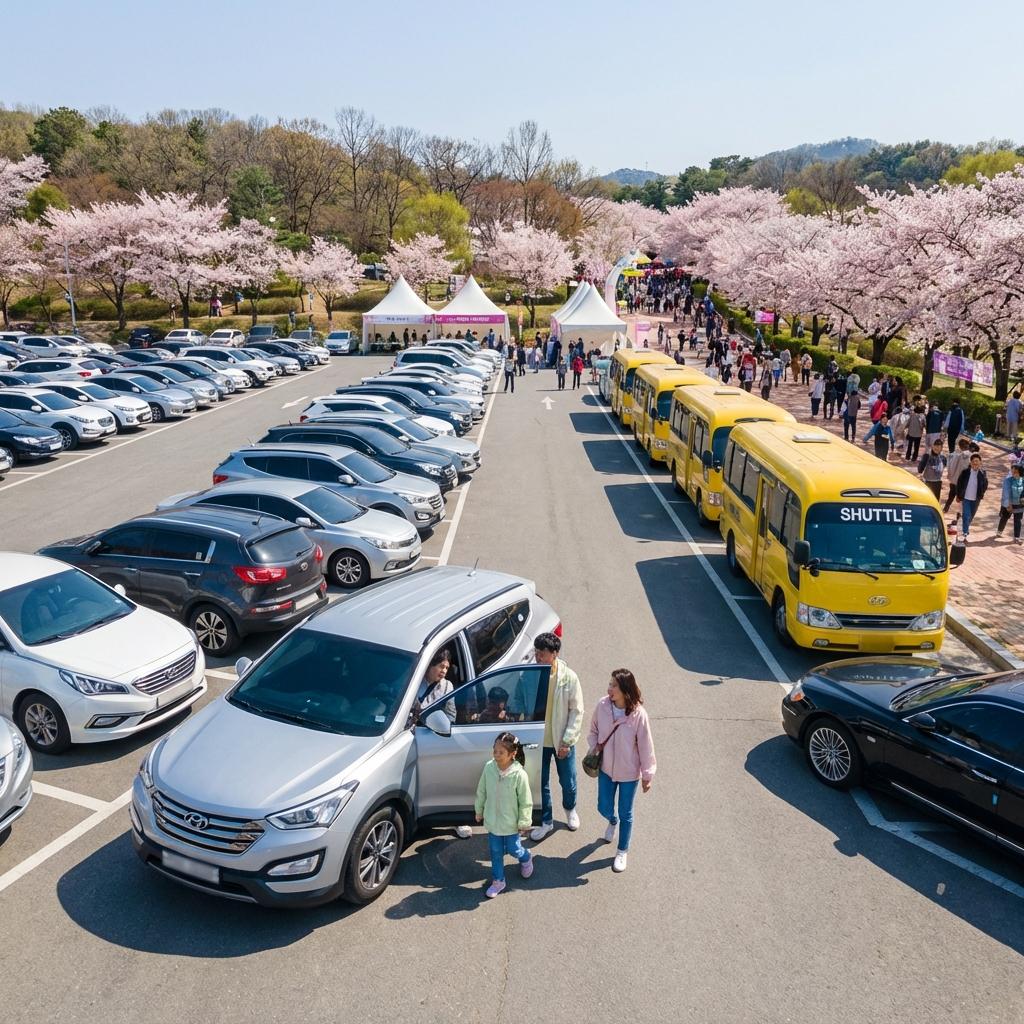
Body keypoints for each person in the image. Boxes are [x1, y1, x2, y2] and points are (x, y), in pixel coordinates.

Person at [586, 669, 656, 874]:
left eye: (614, 685)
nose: (609, 689)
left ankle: (622, 851)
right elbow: (593, 731)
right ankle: (611, 821)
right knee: (603, 806)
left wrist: (647, 775)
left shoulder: (639, 715)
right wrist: (595, 746)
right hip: (606, 768)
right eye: (609, 684)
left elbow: (646, 746)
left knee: (627, 813)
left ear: (625, 690)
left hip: (629, 773)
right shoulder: (602, 706)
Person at [528, 632, 583, 840]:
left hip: (561, 741)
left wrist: (567, 741)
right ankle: (546, 820)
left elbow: (577, 711)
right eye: (536, 652)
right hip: (538, 740)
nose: (538, 657)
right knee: (540, 782)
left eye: (542, 653)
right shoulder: (529, 674)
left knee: (568, 780)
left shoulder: (569, 678)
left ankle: (570, 809)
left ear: (555, 654)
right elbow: (518, 700)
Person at [475, 732, 534, 898]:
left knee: (514, 849)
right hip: (493, 822)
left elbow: (525, 801)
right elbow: (482, 791)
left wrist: (524, 822)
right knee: (495, 852)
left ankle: (527, 857)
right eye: (495, 751)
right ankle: (498, 881)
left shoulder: (519, 775)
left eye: (501, 752)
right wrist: (479, 810)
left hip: (511, 824)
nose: (496, 755)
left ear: (512, 754)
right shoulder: (489, 768)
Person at [955, 451, 988, 541]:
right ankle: (965, 533)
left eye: (977, 461)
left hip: (976, 499)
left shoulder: (983, 473)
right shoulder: (965, 472)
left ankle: (963, 528)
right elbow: (959, 483)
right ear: (970, 462)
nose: (975, 463)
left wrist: (982, 493)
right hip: (966, 498)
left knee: (971, 516)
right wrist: (958, 495)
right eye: (973, 461)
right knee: (966, 515)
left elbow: (985, 485)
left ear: (980, 462)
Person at [943, 436, 973, 513]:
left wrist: (950, 475)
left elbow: (950, 465)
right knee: (962, 500)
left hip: (954, 480)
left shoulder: (954, 454)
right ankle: (959, 516)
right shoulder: (970, 455)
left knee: (951, 496)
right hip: (962, 483)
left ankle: (946, 508)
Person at [997, 463, 1024, 544]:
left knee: (1018, 520)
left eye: (1015, 472)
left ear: (1020, 472)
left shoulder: (1023, 480)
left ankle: (1016, 537)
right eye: (1012, 471)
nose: (1013, 473)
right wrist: (1008, 504)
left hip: (1019, 504)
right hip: (1009, 503)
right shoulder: (1008, 480)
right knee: (1005, 518)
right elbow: (1006, 493)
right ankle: (999, 531)